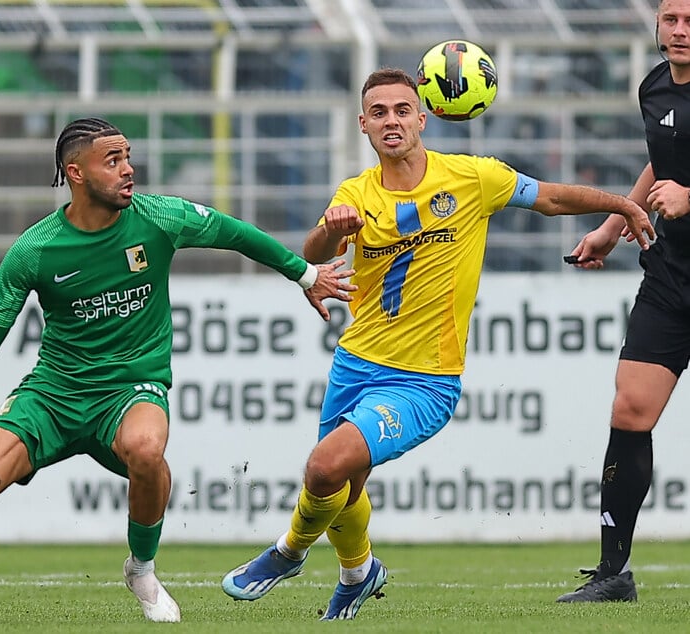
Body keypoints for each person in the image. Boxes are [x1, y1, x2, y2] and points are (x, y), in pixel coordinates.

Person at [0, 116, 358, 625]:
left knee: (148, 451)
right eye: (114, 160)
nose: (129, 170)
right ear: (75, 173)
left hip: (129, 389)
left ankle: (141, 568)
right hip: (52, 397)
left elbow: (235, 234)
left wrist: (305, 274)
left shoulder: (160, 218)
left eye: (128, 157)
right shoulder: (35, 250)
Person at [220, 68, 656, 620]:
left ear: (422, 118)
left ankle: (287, 553)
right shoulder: (356, 192)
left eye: (402, 110)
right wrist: (332, 229)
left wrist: (619, 204)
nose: (392, 121)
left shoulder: (472, 179)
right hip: (355, 362)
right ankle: (358, 573)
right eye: (379, 113)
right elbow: (315, 246)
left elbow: (548, 198)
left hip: (425, 379)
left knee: (325, 467)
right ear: (363, 125)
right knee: (345, 483)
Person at [556, 0, 690, 603]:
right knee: (630, 410)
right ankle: (614, 574)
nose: (681, 31)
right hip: (670, 277)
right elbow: (663, 161)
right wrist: (617, 221)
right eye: (672, 19)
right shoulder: (655, 86)